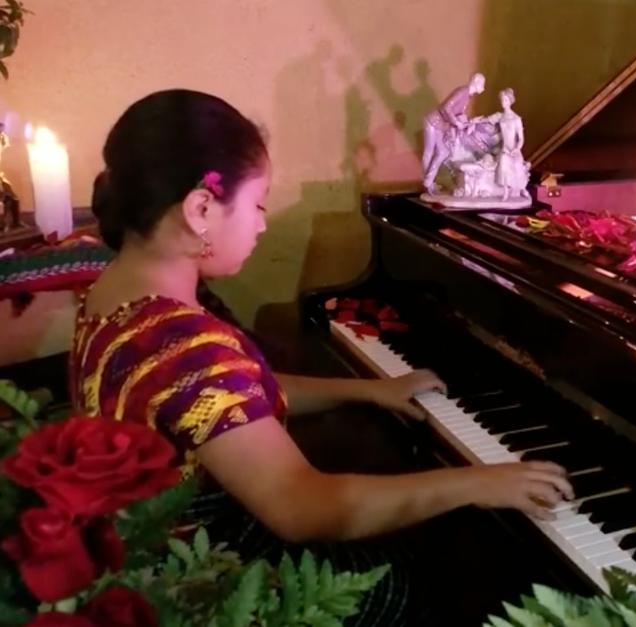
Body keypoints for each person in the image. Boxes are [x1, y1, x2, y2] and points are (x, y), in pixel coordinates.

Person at [71, 89, 572, 625]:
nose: (263, 224)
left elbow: (233, 396)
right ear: (200, 209)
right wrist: (476, 482)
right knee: (410, 579)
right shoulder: (188, 345)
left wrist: (368, 389)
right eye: (258, 204)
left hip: (149, 552)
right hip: (206, 578)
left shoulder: (116, 294)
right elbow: (302, 507)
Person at [421, 72, 486, 193]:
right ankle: (428, 185)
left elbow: (459, 115)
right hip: (433, 121)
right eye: (482, 84)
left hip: (441, 125)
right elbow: (445, 108)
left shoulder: (467, 96)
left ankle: (428, 182)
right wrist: (456, 122)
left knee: (443, 152)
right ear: (476, 82)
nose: (483, 88)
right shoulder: (463, 91)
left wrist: (470, 122)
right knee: (428, 152)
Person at [486, 88, 531, 201]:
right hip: (504, 148)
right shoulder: (500, 117)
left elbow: (521, 138)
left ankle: (522, 189)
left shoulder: (516, 119)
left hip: (514, 148)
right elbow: (489, 123)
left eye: (505, 100)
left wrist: (517, 149)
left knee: (517, 166)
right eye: (502, 100)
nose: (503, 102)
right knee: (504, 162)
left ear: (510, 101)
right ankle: (506, 191)